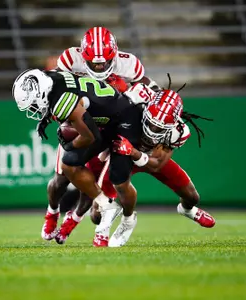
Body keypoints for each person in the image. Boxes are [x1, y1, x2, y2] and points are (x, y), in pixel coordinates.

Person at [42, 26, 160, 243]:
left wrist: (152, 97)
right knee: (61, 178)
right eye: (93, 62)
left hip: (111, 124)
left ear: (113, 55)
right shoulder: (70, 58)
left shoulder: (128, 64)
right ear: (83, 56)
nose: (98, 66)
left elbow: (151, 89)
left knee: (92, 184)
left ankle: (74, 219)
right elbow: (55, 89)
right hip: (81, 121)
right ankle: (52, 211)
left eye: (103, 62)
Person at [12, 68, 143, 245]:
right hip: (102, 117)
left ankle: (118, 213)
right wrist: (48, 118)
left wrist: (69, 145)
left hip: (122, 121)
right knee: (66, 169)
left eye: (35, 104)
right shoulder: (49, 77)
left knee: (103, 174)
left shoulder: (62, 103)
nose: (34, 109)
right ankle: (102, 205)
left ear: (42, 93)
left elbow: (91, 137)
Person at [88, 83, 216, 247]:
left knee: (192, 197)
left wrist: (133, 152)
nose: (153, 130)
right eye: (151, 123)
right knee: (96, 215)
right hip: (122, 155)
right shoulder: (135, 100)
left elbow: (157, 164)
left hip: (145, 158)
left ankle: (187, 210)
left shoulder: (179, 131)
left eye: (159, 128)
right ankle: (128, 220)